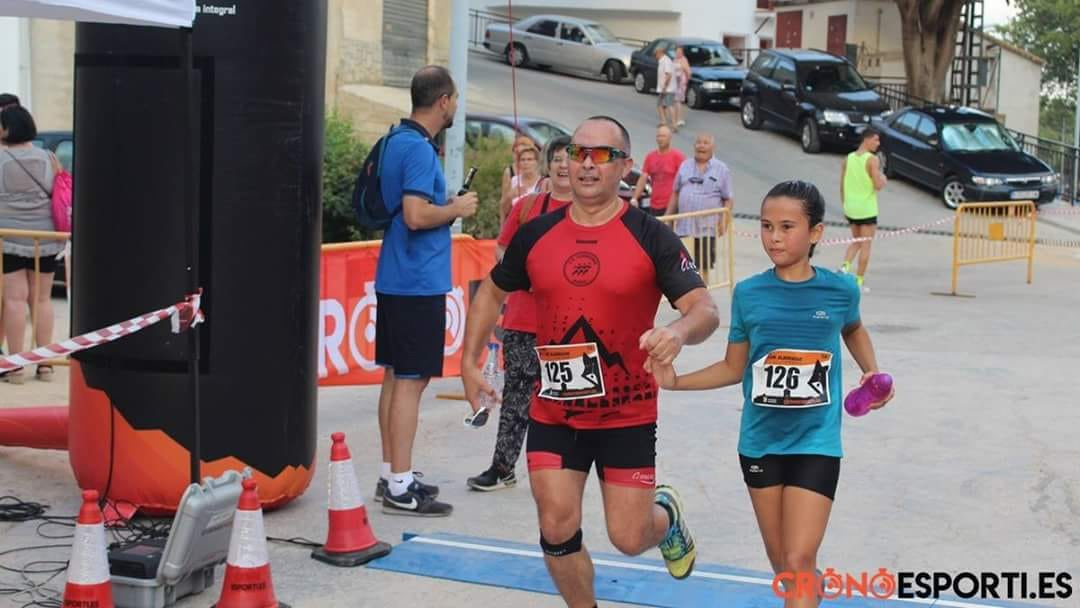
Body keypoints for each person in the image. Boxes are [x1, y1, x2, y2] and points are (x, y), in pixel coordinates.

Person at [462, 116, 721, 606]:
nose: (585, 164)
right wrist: (469, 363)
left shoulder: (650, 236)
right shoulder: (537, 233)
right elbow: (491, 292)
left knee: (629, 537)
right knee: (556, 525)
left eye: (601, 155)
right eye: (578, 152)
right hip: (554, 411)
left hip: (626, 412)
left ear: (625, 166)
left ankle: (665, 516)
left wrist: (677, 332)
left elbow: (704, 309)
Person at [648, 180, 895, 608]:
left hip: (816, 442)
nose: (774, 237)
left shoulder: (840, 290)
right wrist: (676, 381)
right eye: (766, 226)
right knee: (784, 566)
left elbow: (853, 328)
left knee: (798, 559)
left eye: (786, 227)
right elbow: (734, 367)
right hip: (760, 443)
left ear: (815, 232)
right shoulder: (749, 294)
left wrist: (870, 372)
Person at [372, 65, 478, 516]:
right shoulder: (417, 148)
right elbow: (416, 215)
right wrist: (455, 208)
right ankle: (399, 485)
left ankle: (392, 473)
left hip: (398, 276)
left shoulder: (398, 139)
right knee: (411, 381)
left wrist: (445, 206)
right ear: (443, 101)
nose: (455, 108)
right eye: (454, 100)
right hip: (416, 281)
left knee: (397, 376)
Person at [467, 135, 574, 492]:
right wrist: (525, 273)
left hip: (571, 326)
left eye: (569, 159)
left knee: (565, 400)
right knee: (516, 397)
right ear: (548, 165)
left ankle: (564, 470)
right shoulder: (527, 208)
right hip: (524, 320)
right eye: (556, 159)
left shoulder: (589, 210)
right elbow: (501, 250)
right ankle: (503, 468)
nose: (563, 166)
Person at [1, 105, 62, 384]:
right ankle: (45, 364)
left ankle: (15, 367)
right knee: (42, 299)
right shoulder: (49, 157)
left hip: (9, 236)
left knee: (14, 300)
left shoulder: (1, 158)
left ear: (7, 128)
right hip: (46, 238)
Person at [666, 133, 734, 272]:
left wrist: (724, 221)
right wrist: (668, 218)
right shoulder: (685, 165)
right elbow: (676, 193)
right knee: (683, 267)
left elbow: (728, 198)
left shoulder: (721, 169)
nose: (701, 146)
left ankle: (703, 286)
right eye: (698, 142)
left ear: (713, 147)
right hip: (684, 227)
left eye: (705, 143)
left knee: (703, 267)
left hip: (706, 229)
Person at [839, 128, 887, 291]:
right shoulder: (872, 160)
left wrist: (845, 204)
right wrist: (883, 179)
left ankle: (845, 267)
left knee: (856, 241)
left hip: (851, 207)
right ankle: (859, 281)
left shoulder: (848, 158)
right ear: (866, 140)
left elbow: (842, 184)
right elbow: (877, 185)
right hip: (866, 209)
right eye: (876, 140)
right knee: (866, 245)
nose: (878, 144)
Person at [631, 125, 684, 217]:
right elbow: (643, 178)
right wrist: (635, 198)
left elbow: (684, 180)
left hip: (671, 205)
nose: (660, 139)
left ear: (670, 138)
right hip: (654, 204)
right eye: (658, 136)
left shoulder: (678, 157)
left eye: (663, 136)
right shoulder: (650, 157)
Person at [499, 141, 544, 226]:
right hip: (515, 227)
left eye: (530, 159)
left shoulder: (543, 182)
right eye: (523, 160)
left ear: (537, 162)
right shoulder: (514, 181)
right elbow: (504, 210)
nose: (526, 163)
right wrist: (510, 196)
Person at [655, 47, 677, 130]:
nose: (655, 56)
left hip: (668, 88)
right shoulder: (662, 61)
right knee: (660, 104)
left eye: (656, 54)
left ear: (660, 53)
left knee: (669, 105)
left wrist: (665, 86)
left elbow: (669, 75)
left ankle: (674, 124)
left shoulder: (666, 61)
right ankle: (663, 122)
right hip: (663, 88)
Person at [673, 46, 692, 129]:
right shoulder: (675, 59)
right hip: (674, 82)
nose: (678, 53)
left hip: (681, 83)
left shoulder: (684, 60)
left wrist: (686, 81)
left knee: (678, 101)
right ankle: (678, 118)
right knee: (675, 101)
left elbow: (688, 72)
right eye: (677, 52)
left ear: (682, 53)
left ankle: (679, 119)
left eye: (679, 52)